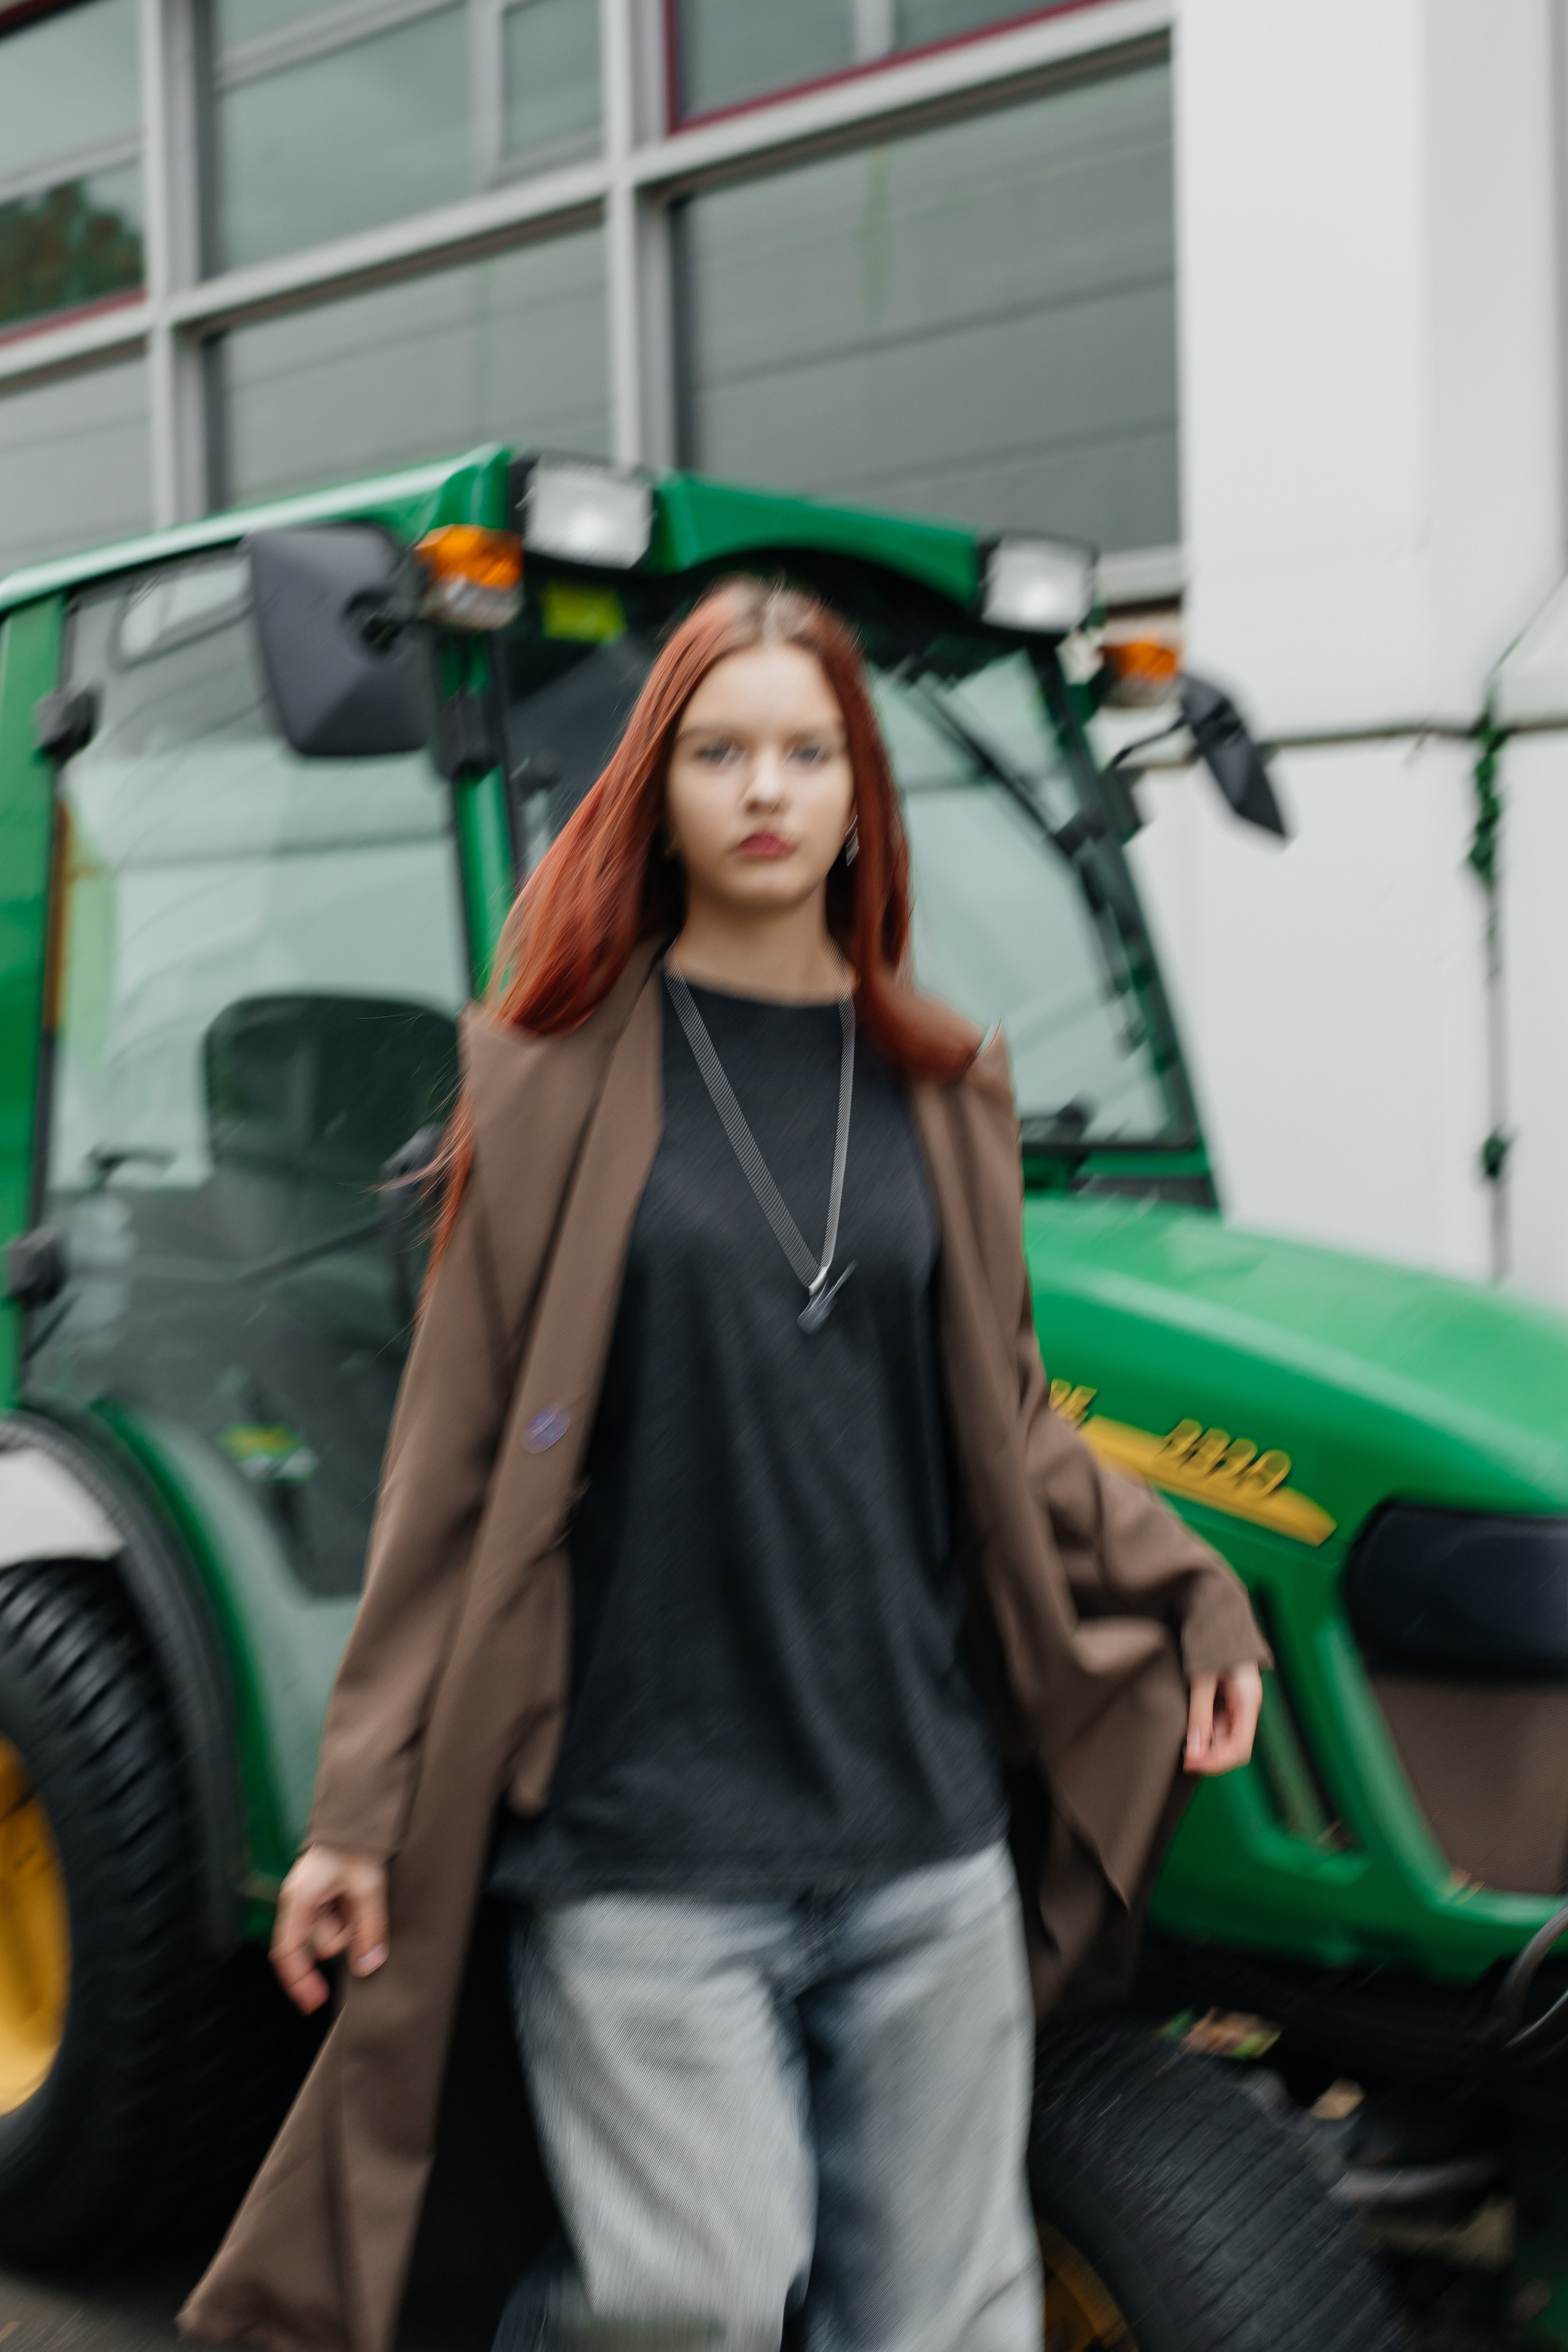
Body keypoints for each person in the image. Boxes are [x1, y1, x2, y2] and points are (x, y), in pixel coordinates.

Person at [180, 579, 1266, 2352]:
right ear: (658, 789)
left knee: (939, 2324)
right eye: (719, 751)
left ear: (860, 796)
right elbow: (448, 1481)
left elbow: (1011, 1421)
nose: (766, 788)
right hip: (642, 1855)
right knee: (684, 2300)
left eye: (808, 751)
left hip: (920, 1847)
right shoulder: (542, 1090)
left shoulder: (948, 1088)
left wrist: (1192, 1591)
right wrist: (358, 1810)